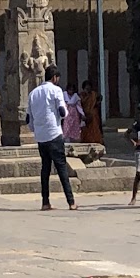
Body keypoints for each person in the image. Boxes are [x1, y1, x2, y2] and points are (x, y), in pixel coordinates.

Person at [28, 64, 76, 211]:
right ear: (55, 78)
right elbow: (62, 112)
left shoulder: (33, 93)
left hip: (41, 136)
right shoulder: (56, 91)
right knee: (61, 168)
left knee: (45, 169)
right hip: (54, 134)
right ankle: (71, 201)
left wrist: (36, 130)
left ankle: (45, 202)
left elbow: (28, 119)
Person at [78, 79, 104, 145]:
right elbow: (79, 104)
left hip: (93, 114)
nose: (88, 90)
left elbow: (100, 97)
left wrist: (96, 104)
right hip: (84, 114)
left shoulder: (93, 94)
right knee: (85, 129)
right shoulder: (81, 95)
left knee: (94, 128)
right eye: (86, 88)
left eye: (89, 88)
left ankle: (96, 140)